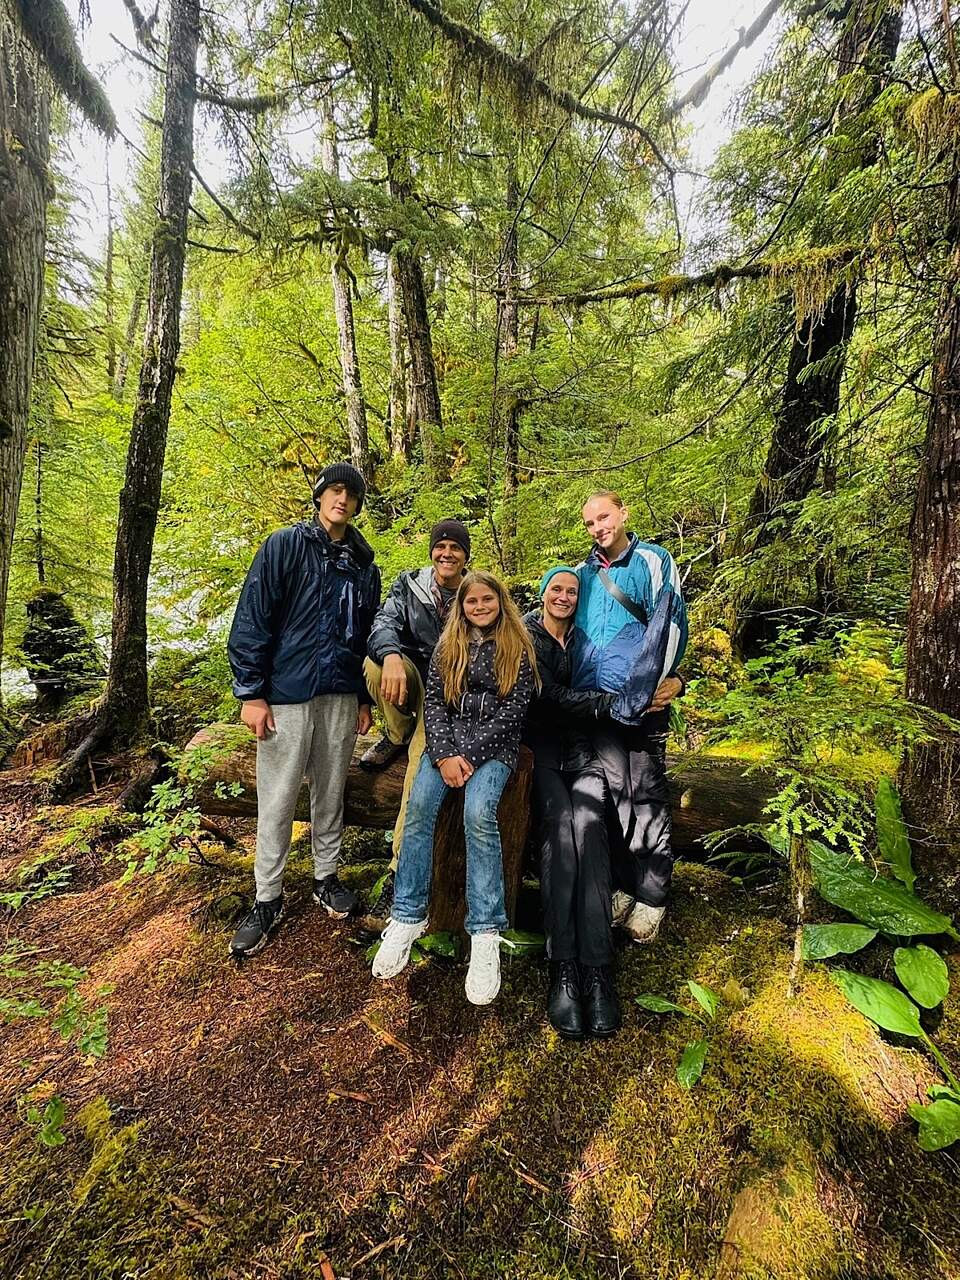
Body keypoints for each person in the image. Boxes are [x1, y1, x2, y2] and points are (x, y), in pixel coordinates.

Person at [226, 463, 381, 958]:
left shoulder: (363, 564)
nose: (342, 499)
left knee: (331, 789)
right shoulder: (285, 546)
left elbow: (365, 636)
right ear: (320, 497)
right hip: (286, 693)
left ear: (357, 505)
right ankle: (267, 897)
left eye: (351, 494)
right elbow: (253, 616)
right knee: (278, 795)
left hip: (339, 692)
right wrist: (251, 692)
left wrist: (362, 696)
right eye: (335, 490)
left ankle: (325, 876)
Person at [372, 571, 538, 1005]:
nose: (479, 607)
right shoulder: (449, 647)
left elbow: (513, 712)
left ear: (500, 602)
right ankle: (407, 915)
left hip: (494, 749)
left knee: (479, 814)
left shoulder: (516, 647)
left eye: (487, 600)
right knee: (420, 807)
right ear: (460, 606)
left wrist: (470, 758)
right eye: (471, 601)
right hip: (446, 748)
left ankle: (485, 933)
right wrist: (444, 755)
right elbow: (434, 704)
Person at [576, 490, 687, 944]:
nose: (599, 527)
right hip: (596, 707)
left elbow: (671, 625)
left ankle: (654, 894)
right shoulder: (583, 574)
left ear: (622, 513)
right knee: (613, 798)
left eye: (604, 517)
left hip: (641, 706)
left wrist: (664, 681)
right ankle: (624, 885)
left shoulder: (654, 560)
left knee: (647, 795)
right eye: (590, 523)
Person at [359, 519, 471, 931]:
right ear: (431, 552)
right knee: (376, 664)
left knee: (418, 773)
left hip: (448, 699)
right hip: (414, 679)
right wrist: (390, 654)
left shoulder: (475, 593)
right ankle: (396, 733)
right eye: (440, 546)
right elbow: (381, 626)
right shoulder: (409, 586)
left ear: (465, 555)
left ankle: (398, 871)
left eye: (455, 548)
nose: (447, 554)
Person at [524, 567, 621, 1040]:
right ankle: (563, 969)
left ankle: (598, 970)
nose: (563, 596)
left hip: (584, 752)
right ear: (543, 595)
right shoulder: (524, 633)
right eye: (555, 589)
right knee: (560, 840)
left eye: (571, 591)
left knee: (593, 837)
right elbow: (542, 696)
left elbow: (617, 669)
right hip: (540, 753)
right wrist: (602, 704)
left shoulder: (585, 640)